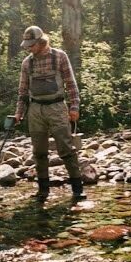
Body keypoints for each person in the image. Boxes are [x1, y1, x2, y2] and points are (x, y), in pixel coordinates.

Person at [14, 26, 86, 203]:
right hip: (35, 110)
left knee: (67, 150)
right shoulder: (26, 63)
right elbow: (23, 91)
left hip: (57, 108)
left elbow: (71, 84)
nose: (28, 48)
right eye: (27, 45)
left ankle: (77, 190)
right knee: (39, 152)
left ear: (41, 42)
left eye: (31, 45)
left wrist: (74, 107)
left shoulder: (59, 56)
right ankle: (43, 190)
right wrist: (18, 114)